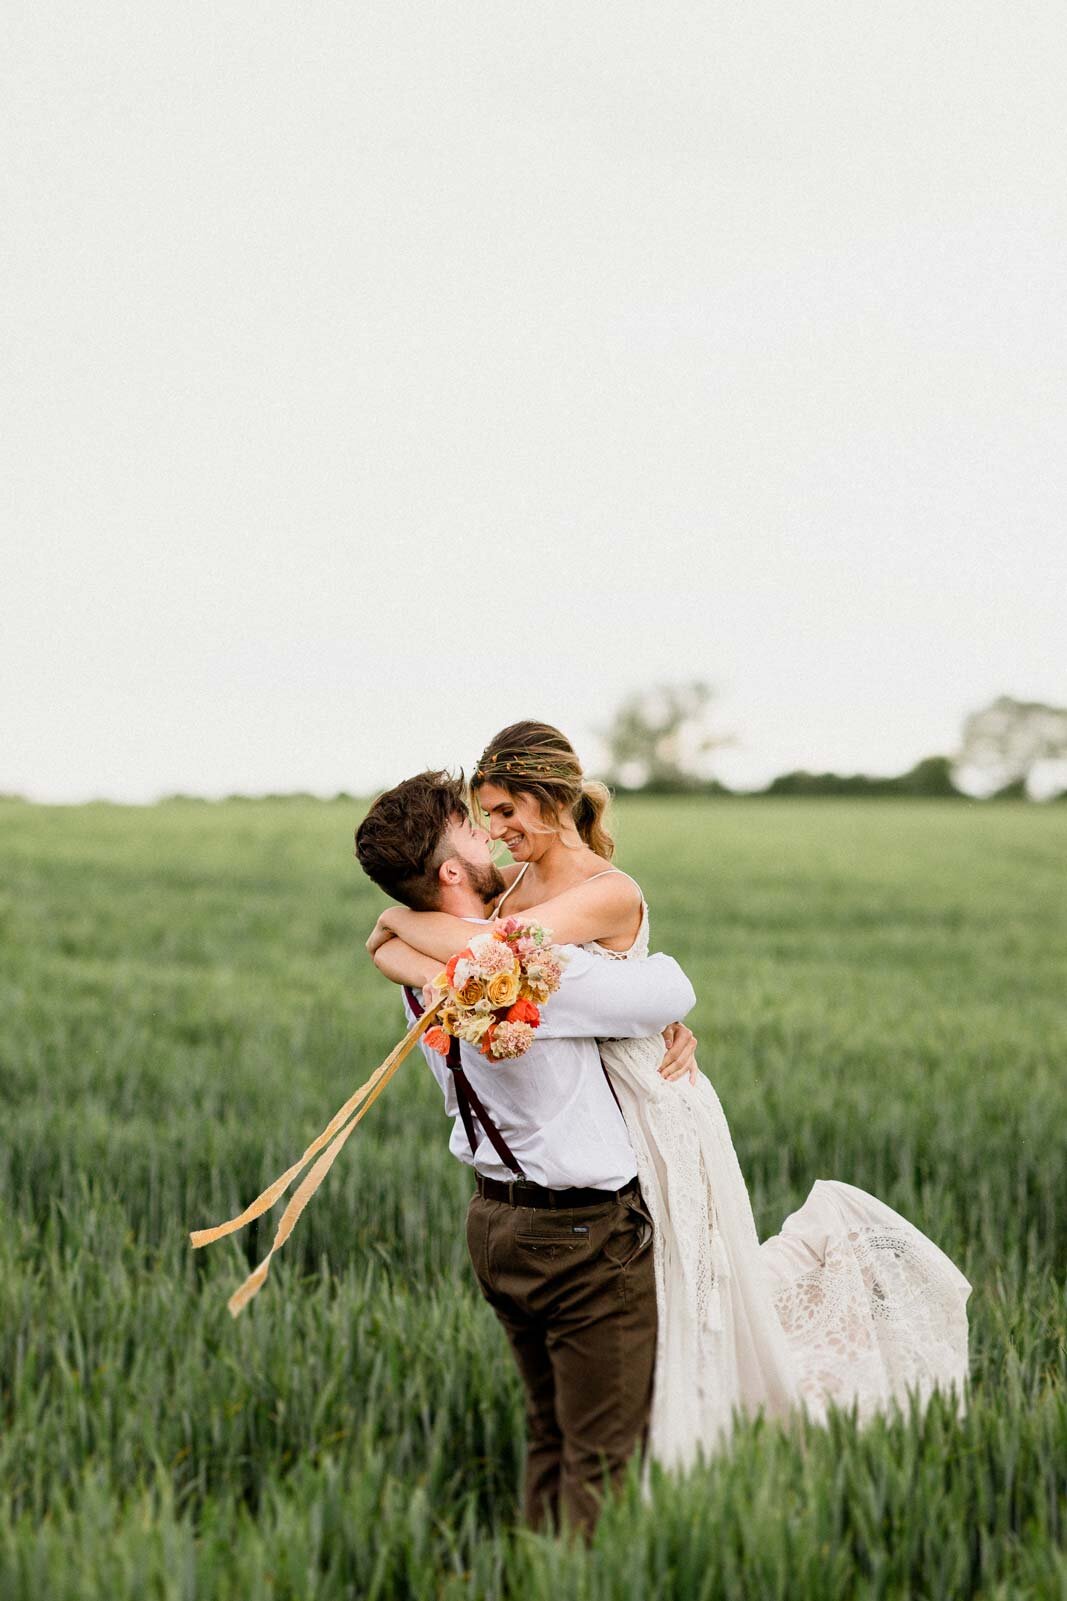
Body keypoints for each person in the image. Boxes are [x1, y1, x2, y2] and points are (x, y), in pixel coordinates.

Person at [365, 722, 973, 1473]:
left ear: (548, 798)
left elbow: (510, 956)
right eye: (481, 818)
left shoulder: (582, 898)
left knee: (665, 1322)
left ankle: (617, 1519)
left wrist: (393, 927)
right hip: (587, 1165)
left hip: (598, 1144)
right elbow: (543, 965)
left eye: (503, 812)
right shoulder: (504, 915)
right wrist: (651, 1006)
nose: (494, 833)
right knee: (613, 1393)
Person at [354, 770, 700, 1535]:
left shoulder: (420, 965)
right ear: (452, 872)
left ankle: (533, 1569)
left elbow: (392, 938)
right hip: (580, 1236)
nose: (491, 839)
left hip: (493, 1224)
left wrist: (392, 920)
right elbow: (671, 987)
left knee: (550, 1434)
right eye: (473, 832)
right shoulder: (530, 976)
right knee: (603, 1458)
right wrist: (661, 1022)